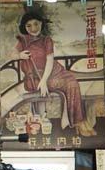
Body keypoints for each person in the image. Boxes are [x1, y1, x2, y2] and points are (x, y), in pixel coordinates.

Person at [14, 7, 95, 137]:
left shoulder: (47, 40)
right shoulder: (22, 41)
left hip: (53, 72)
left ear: (41, 23)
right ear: (25, 27)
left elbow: (50, 60)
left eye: (36, 24)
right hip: (34, 77)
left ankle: (78, 121)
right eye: (29, 25)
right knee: (70, 84)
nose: (33, 28)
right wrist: (19, 55)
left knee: (73, 82)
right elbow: (10, 55)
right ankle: (77, 122)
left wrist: (44, 80)